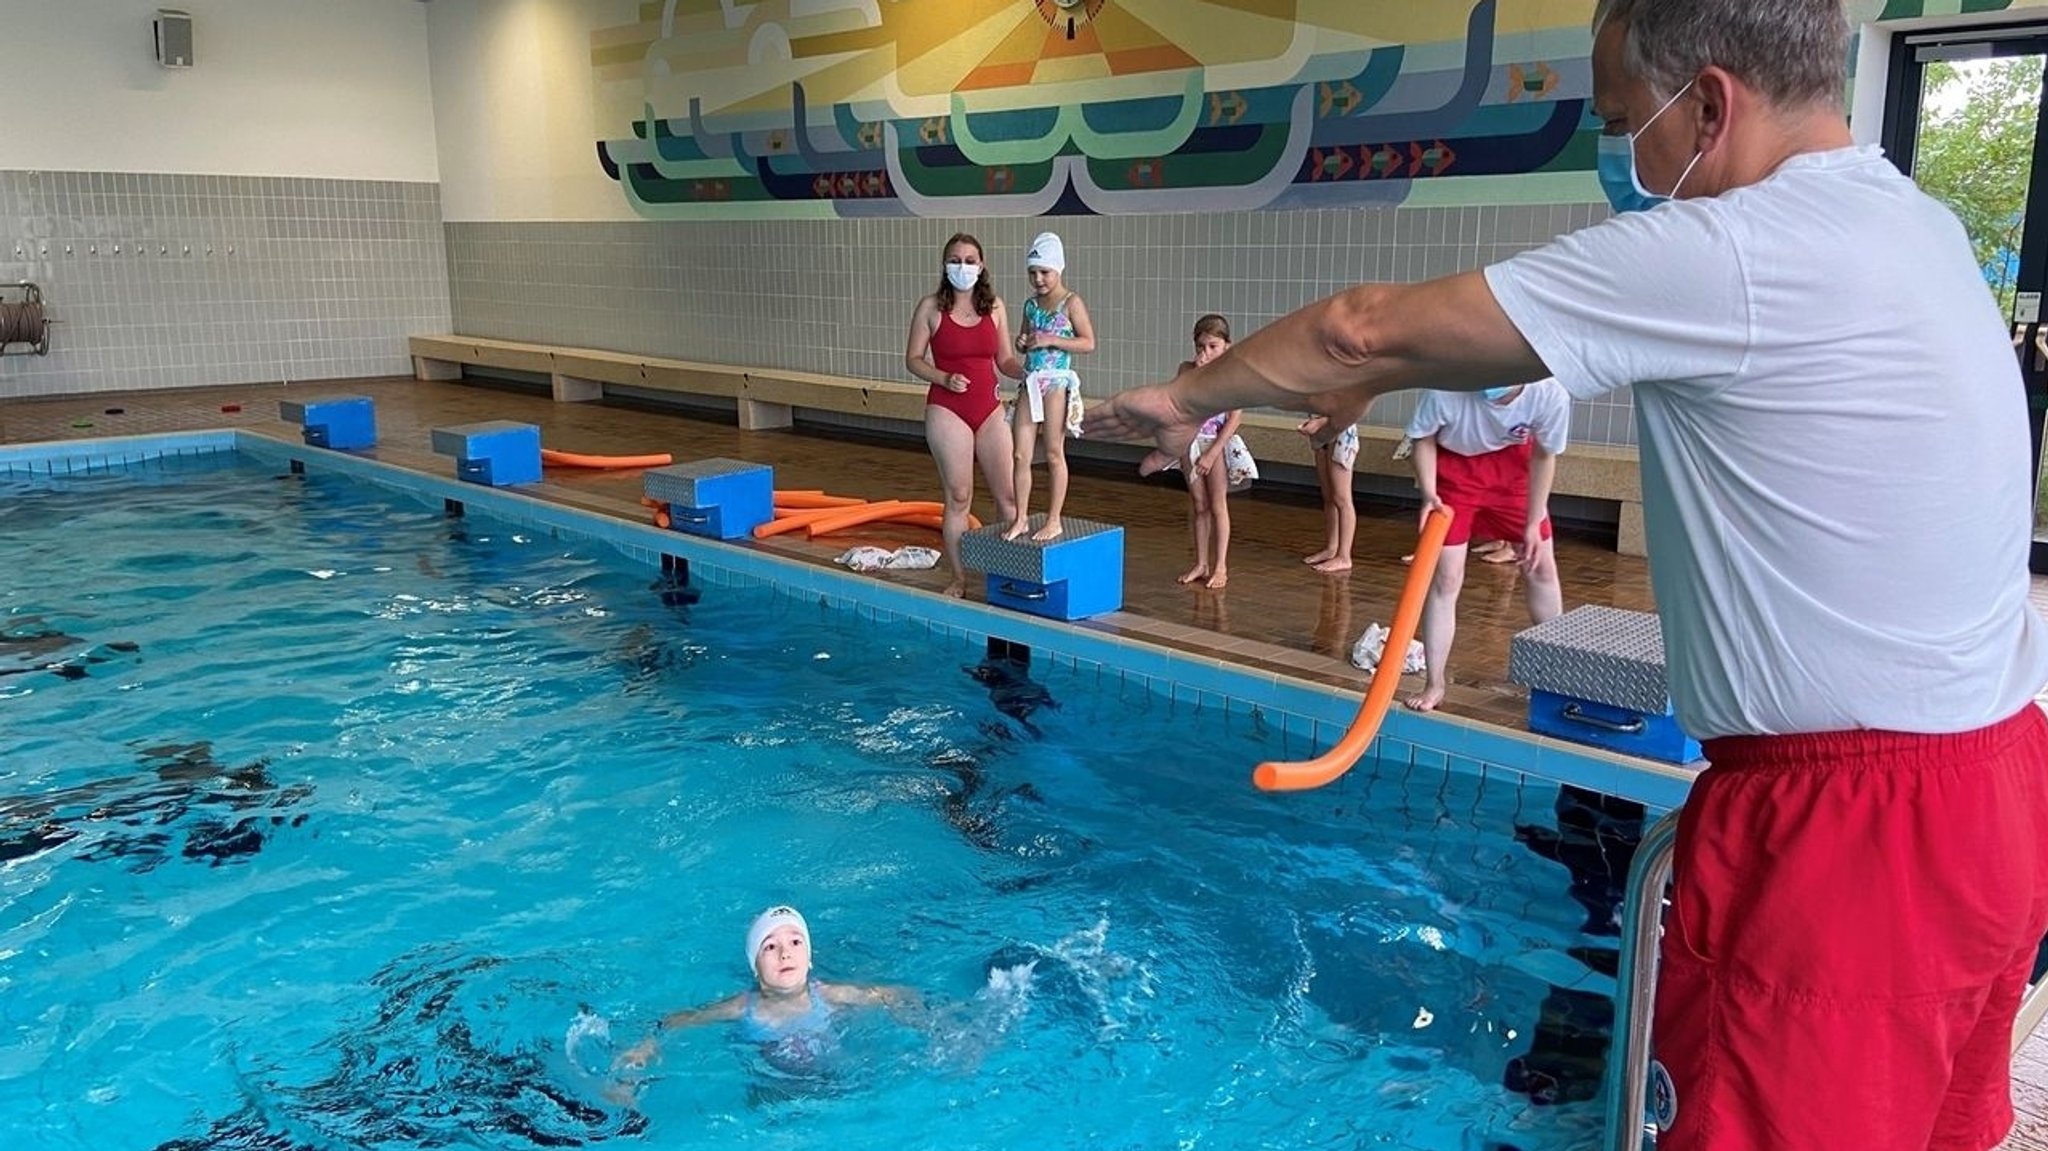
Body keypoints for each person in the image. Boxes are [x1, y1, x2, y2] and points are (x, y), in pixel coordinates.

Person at [1082, 1, 2048, 1147]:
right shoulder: (1912, 223)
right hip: (1993, 785)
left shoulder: (1734, 246)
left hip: (1847, 840)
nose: (1615, 154)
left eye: (1618, 118)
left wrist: (1184, 399)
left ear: (1707, 104)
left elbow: (1358, 327)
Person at [1403, 380, 1570, 711]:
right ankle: (1435, 683)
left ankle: (1560, 676)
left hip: (1514, 471)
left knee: (1541, 567)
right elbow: (1422, 438)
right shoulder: (1447, 386)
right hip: (1455, 472)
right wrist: (1429, 493)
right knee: (1447, 578)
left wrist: (1534, 521)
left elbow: (1544, 455)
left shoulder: (1549, 393)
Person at [614, 906, 917, 1075]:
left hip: (838, 1076)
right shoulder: (741, 1007)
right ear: (755, 968)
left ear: (809, 959)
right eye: (770, 947)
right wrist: (646, 1046)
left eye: (796, 943)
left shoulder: (828, 994)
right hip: (774, 1089)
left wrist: (925, 1019)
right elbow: (678, 1020)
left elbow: (890, 995)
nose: (785, 954)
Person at [906, 234, 1024, 596]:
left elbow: (1004, 361)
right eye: (955, 260)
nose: (963, 266)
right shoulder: (930, 308)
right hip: (947, 409)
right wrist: (943, 377)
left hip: (988, 409)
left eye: (970, 260)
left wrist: (1031, 371)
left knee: (1009, 497)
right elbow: (912, 359)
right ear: (945, 266)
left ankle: (1013, 574)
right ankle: (958, 578)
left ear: (982, 265)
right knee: (959, 495)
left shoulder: (996, 308)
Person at [1147, 314, 1258, 589]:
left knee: (1218, 503)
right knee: (1199, 504)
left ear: (1226, 347)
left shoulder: (1233, 375)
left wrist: (1212, 453)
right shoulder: (1186, 370)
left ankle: (1220, 565)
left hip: (1214, 442)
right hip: (1190, 443)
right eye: (1200, 347)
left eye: (1212, 347)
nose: (1205, 353)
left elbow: (1234, 418)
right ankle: (1201, 562)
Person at [1005, 232, 1095, 542]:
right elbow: (1026, 339)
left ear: (1059, 269)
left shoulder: (1072, 302)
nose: (1038, 279)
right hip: (1030, 383)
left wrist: (1052, 339)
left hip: (1056, 383)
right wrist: (1021, 342)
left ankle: (1054, 519)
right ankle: (1021, 518)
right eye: (1033, 272)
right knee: (1019, 454)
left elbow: (1088, 343)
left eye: (1045, 272)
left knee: (1054, 452)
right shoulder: (1030, 305)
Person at [1297, 416, 1358, 572]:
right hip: (1323, 434)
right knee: (1329, 497)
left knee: (1342, 499)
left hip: (1341, 432)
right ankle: (1332, 547)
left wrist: (1320, 422)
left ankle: (1344, 556)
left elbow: (1348, 410)